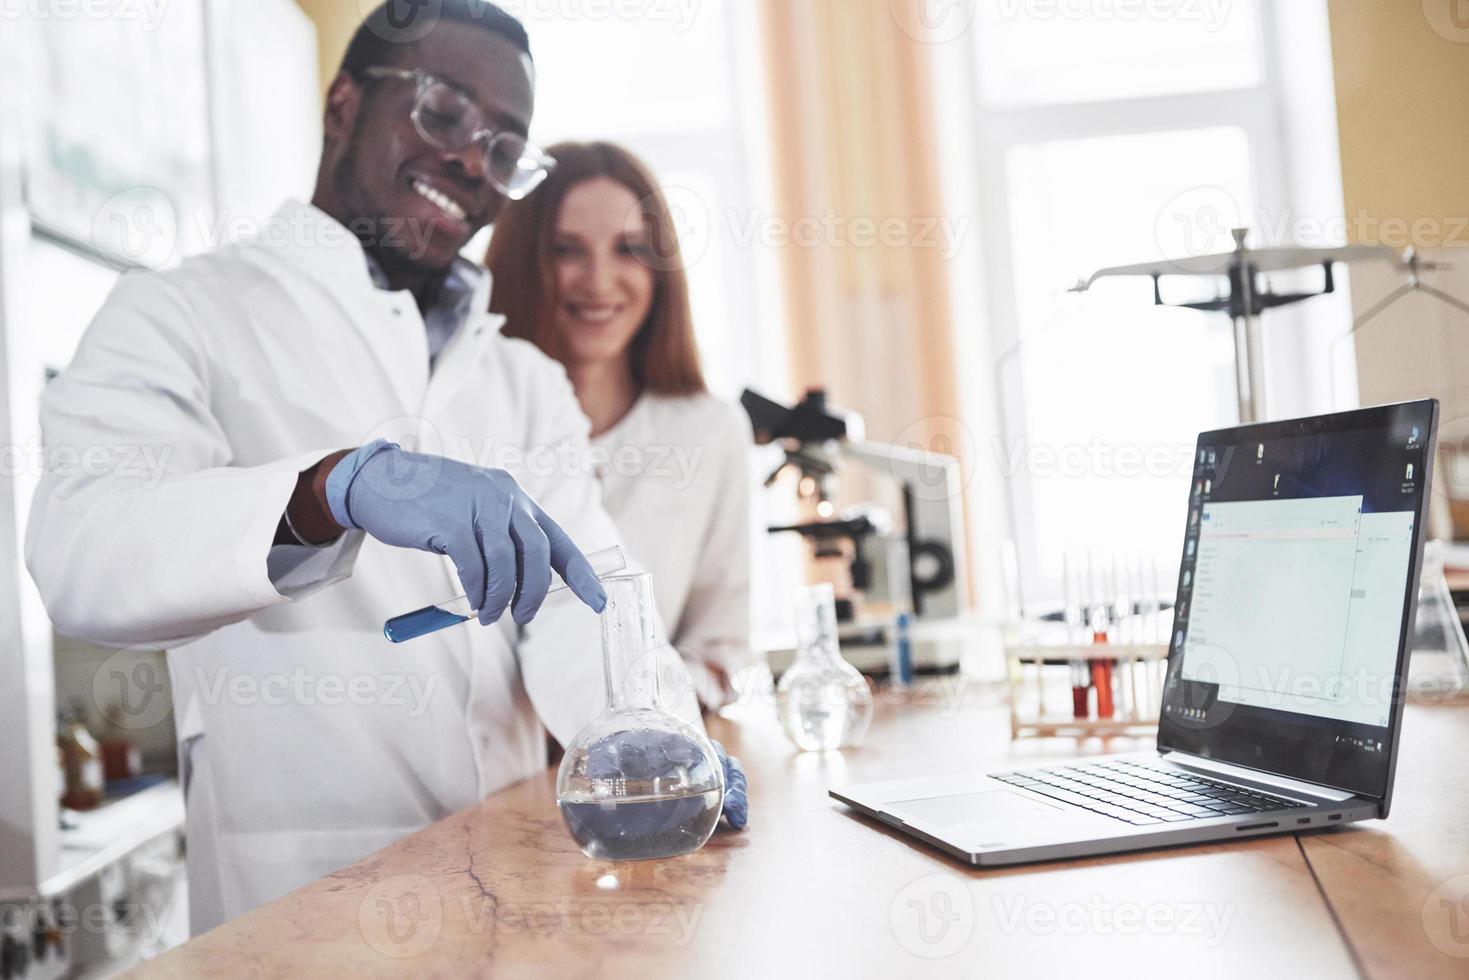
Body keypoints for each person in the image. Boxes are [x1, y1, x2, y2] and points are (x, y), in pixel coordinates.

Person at [25, 2, 743, 935]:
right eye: (443, 114)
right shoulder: (178, 316)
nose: (467, 161)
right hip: (304, 915)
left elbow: (584, 599)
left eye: (501, 149)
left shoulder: (521, 380)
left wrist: (656, 734)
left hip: (521, 905)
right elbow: (80, 551)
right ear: (342, 104)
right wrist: (332, 491)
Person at [485, 142, 753, 708]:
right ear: (523, 263)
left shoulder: (710, 432)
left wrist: (652, 701)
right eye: (566, 250)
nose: (599, 281)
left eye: (629, 249)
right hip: (500, 771)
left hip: (641, 765)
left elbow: (722, 651)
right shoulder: (474, 421)